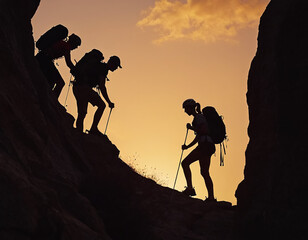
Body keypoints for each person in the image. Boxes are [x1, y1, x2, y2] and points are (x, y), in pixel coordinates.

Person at [72, 52, 121, 135]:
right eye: (116, 66)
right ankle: (93, 128)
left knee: (82, 113)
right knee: (101, 105)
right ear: (111, 63)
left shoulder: (100, 66)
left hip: (78, 86)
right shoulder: (104, 68)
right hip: (84, 88)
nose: (116, 68)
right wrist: (109, 102)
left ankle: (79, 133)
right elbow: (102, 87)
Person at [181, 99, 216, 202]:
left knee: (185, 163)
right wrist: (187, 146)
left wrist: (192, 128)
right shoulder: (199, 117)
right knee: (204, 172)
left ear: (190, 108)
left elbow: (204, 130)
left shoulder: (198, 117)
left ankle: (190, 188)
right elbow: (200, 136)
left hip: (204, 146)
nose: (185, 111)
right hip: (208, 145)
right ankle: (211, 197)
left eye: (186, 108)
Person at [36, 34, 81, 99]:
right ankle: (52, 100)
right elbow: (68, 63)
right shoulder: (66, 47)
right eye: (76, 45)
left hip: (43, 58)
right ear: (73, 43)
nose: (76, 47)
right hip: (45, 60)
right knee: (60, 83)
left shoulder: (62, 43)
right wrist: (76, 72)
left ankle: (48, 97)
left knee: (51, 80)